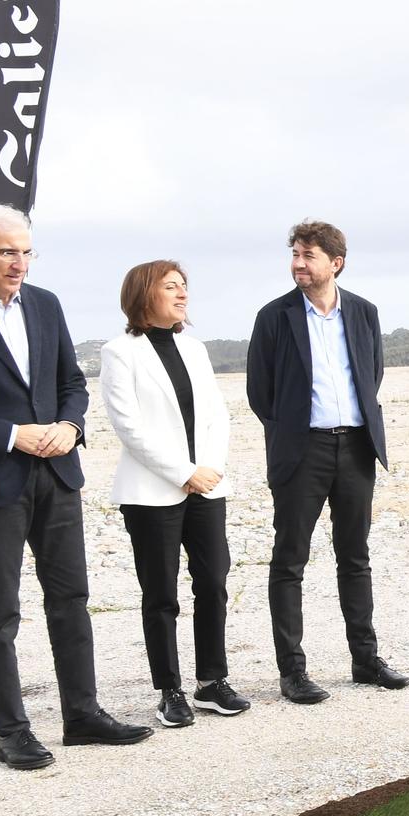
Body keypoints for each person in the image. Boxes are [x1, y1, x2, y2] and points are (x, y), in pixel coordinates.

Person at [0, 204, 152, 770]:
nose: (19, 263)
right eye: (6, 251)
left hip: (58, 475)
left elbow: (71, 382)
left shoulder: (46, 305)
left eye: (25, 251)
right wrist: (12, 435)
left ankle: (82, 715)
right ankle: (11, 731)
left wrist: (70, 426)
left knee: (71, 600)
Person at [246, 219, 409, 704]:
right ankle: (292, 671)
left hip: (356, 446)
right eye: (295, 253)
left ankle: (366, 659)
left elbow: (371, 373)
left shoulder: (363, 312)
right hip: (302, 450)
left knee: (355, 558)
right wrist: (289, 432)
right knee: (290, 560)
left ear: (335, 263)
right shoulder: (273, 317)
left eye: (308, 255)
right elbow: (261, 391)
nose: (298, 263)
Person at [100, 260, 247, 728]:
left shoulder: (195, 348)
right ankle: (170, 690)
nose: (182, 294)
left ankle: (212, 682)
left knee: (213, 585)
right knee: (161, 594)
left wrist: (210, 470)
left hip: (207, 485)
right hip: (151, 492)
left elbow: (216, 416)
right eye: (170, 287)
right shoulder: (119, 352)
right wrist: (183, 472)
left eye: (184, 286)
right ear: (144, 295)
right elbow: (128, 426)